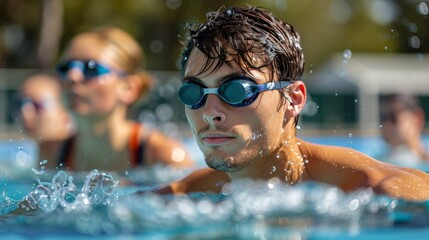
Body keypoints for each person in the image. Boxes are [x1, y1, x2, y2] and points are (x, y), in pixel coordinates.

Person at [149, 6, 429, 201]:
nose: (210, 113)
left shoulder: (385, 192)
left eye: (236, 90)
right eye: (193, 93)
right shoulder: (177, 198)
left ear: (294, 100)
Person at [54, 27, 194, 172]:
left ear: (129, 88)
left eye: (91, 68)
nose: (72, 77)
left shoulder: (163, 155)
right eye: (65, 68)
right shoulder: (51, 152)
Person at [18, 71, 75, 168]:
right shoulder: (45, 154)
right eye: (20, 104)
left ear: (65, 110)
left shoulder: (80, 156)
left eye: (37, 105)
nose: (25, 113)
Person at [378, 93, 429, 168]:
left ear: (417, 118)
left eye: (393, 117)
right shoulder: (378, 161)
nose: (386, 124)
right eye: (383, 117)